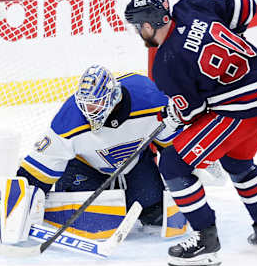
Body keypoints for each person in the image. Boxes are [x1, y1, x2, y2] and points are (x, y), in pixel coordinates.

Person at [124, 0, 257, 266]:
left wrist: (174, 114)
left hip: (241, 108)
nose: (138, 32)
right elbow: (245, 4)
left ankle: (206, 240)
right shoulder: (190, 6)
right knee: (237, 161)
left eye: (138, 26)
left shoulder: (167, 62)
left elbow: (193, 112)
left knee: (174, 165)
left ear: (149, 26)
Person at [16, 64, 181, 230]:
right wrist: (21, 204)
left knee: (156, 213)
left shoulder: (151, 98)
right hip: (85, 168)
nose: (89, 111)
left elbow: (172, 147)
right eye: (85, 105)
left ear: (114, 96)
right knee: (87, 224)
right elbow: (39, 167)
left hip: (134, 165)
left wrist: (180, 182)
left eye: (95, 104)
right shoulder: (69, 118)